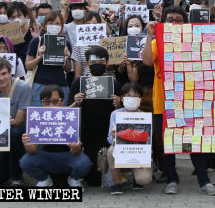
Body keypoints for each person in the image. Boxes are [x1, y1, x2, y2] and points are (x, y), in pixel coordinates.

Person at [143, 5, 215, 195]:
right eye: (170, 20)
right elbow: (145, 61)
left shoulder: (195, 41)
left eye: (179, 20)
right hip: (164, 103)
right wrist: (149, 35)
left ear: (185, 23)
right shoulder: (157, 42)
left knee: (195, 142)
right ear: (164, 22)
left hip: (191, 101)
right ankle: (171, 179)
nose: (175, 23)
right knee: (168, 144)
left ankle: (204, 181)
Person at [66, 45, 121, 187]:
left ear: (107, 63)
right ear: (87, 63)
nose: (97, 65)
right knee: (92, 179)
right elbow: (67, 110)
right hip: (86, 134)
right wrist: (76, 103)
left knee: (103, 175)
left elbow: (122, 112)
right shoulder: (78, 83)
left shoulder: (113, 83)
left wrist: (118, 104)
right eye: (93, 62)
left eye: (101, 63)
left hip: (107, 133)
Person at [19, 84, 92, 188]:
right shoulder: (36, 118)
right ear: (42, 102)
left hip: (68, 157)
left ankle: (74, 179)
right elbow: (32, 150)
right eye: (47, 102)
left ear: (61, 101)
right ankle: (44, 179)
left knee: (84, 163)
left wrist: (75, 147)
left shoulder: (70, 117)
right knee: (26, 161)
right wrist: (26, 143)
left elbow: (76, 152)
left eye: (55, 101)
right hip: (46, 156)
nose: (51, 106)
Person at [0, 57, 32, 186]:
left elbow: (19, 121)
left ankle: (16, 175)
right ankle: (5, 169)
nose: (1, 78)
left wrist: (7, 122)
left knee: (15, 133)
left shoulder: (23, 87)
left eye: (4, 73)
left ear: (10, 73)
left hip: (16, 131)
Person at [107, 83, 155, 195]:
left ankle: (136, 178)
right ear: (122, 98)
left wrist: (148, 155)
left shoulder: (146, 117)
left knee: (144, 180)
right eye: (128, 96)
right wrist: (114, 136)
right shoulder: (115, 114)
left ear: (141, 99)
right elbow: (109, 139)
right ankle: (117, 183)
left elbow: (149, 140)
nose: (131, 99)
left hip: (138, 152)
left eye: (135, 96)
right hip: (121, 150)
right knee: (110, 152)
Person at [26, 11, 72, 107]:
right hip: (40, 84)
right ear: (45, 24)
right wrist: (39, 57)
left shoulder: (65, 43)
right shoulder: (37, 41)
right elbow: (28, 65)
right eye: (51, 23)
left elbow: (68, 69)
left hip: (60, 84)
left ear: (62, 26)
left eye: (57, 24)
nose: (54, 26)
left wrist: (66, 58)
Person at [117, 15, 155, 112]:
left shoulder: (152, 42)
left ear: (143, 27)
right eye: (130, 26)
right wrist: (129, 65)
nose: (133, 28)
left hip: (156, 90)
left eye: (137, 26)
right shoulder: (125, 46)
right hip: (140, 94)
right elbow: (133, 79)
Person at [71, 11, 107, 79]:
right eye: (88, 23)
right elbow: (78, 73)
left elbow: (111, 67)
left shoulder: (107, 42)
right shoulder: (78, 45)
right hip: (87, 81)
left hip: (106, 80)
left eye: (94, 23)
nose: (91, 26)